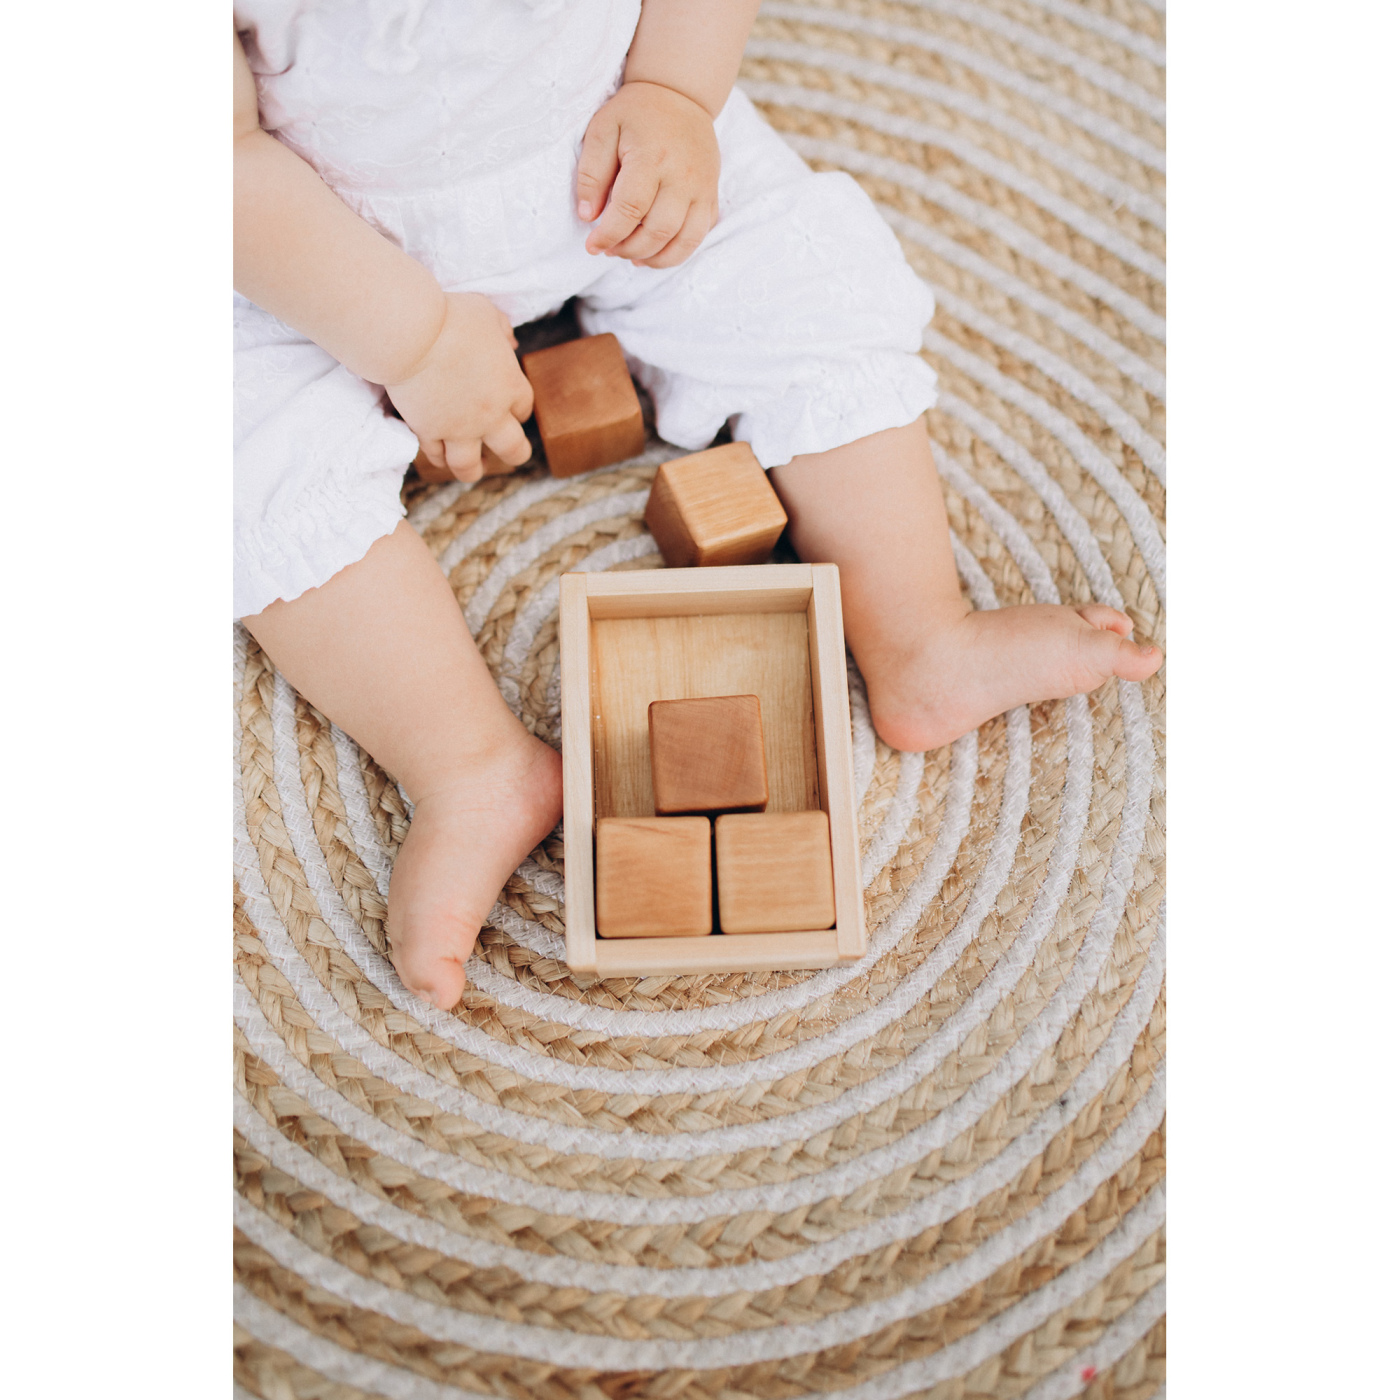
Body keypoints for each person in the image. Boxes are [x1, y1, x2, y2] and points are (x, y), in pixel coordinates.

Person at [234, 0, 1162, 1011]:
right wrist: (412, 341)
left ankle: (919, 634)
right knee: (240, 455)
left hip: (611, 165)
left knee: (805, 283)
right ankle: (467, 766)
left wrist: (676, 93)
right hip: (314, 256)